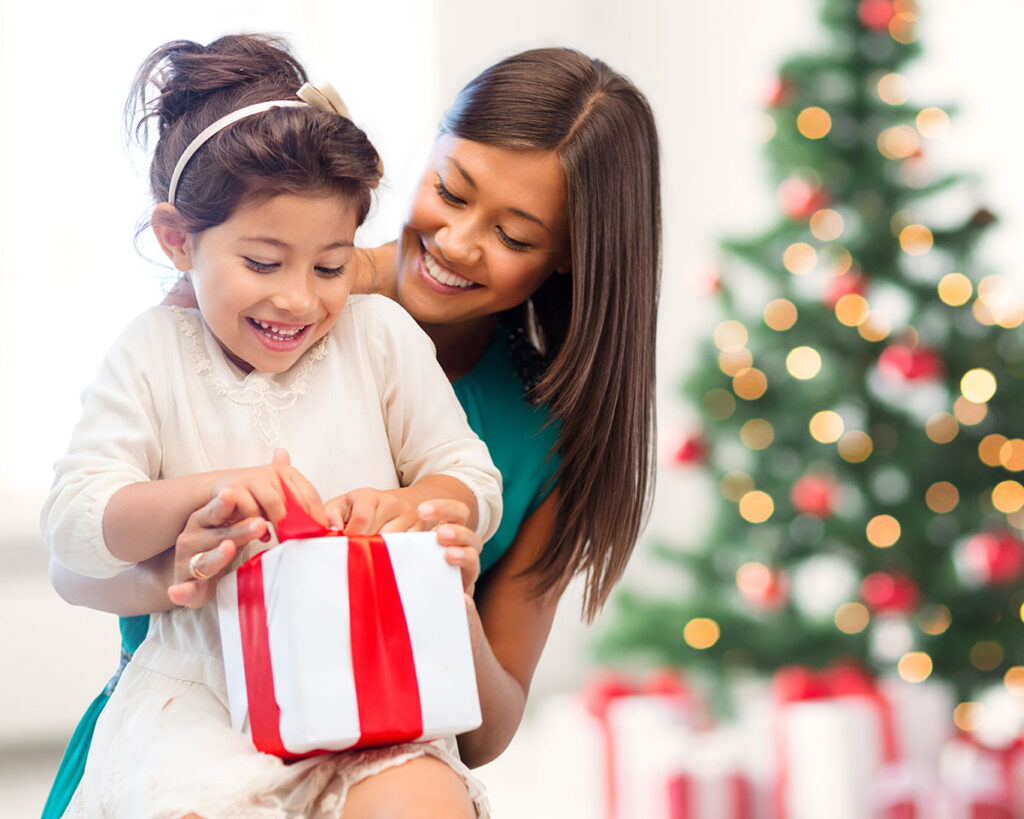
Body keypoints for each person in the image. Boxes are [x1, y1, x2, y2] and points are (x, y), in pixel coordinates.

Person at [44, 42, 661, 817]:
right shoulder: (219, 305)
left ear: (571, 255)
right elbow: (76, 545)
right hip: (193, 716)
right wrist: (189, 557)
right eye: (451, 189)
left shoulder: (492, 404)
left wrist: (440, 569)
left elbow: (487, 723)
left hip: (379, 731)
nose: (460, 242)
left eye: (515, 236)